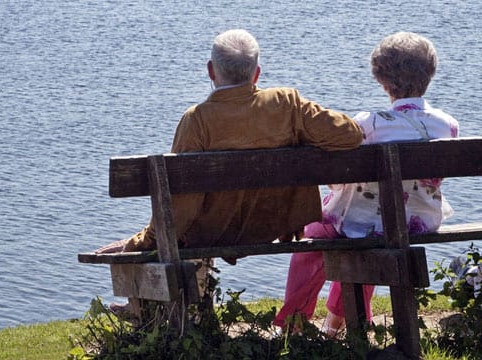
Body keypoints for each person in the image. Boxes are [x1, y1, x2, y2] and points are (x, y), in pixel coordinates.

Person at [96, 29, 362, 258]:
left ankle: (160, 311)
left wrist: (141, 241)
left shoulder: (197, 120)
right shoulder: (286, 104)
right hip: (269, 226)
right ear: (256, 74)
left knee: (177, 235)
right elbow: (349, 134)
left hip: (212, 233)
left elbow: (181, 206)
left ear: (211, 71)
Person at [274, 31, 460, 336]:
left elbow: (336, 181)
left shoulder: (368, 124)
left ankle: (293, 323)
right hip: (418, 221)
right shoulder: (448, 124)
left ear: (382, 80)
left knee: (316, 236)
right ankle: (336, 322)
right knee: (377, 225)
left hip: (364, 223)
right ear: (430, 74)